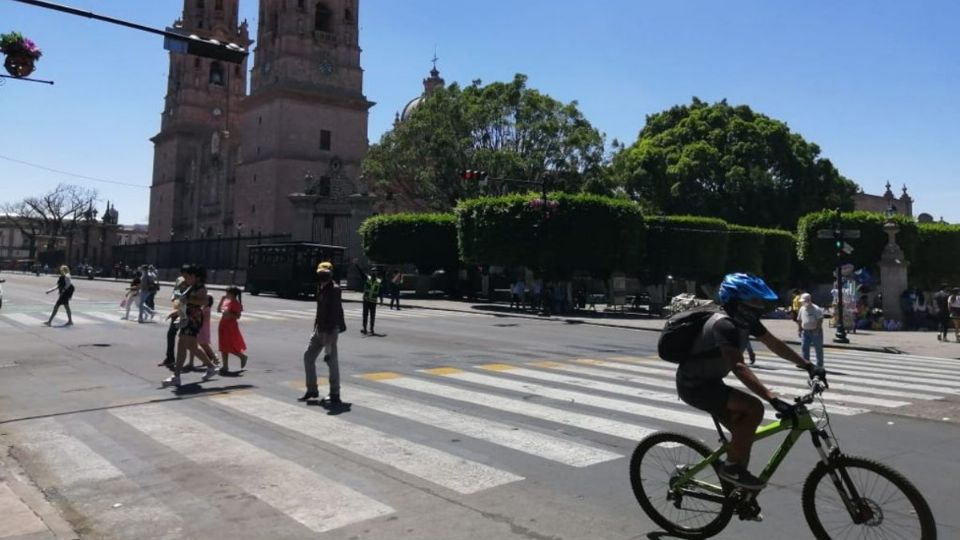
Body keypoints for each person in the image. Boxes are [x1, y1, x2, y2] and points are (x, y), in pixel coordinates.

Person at [675, 273, 825, 491]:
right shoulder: (723, 325)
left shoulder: (746, 322)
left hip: (711, 382)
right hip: (694, 386)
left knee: (743, 437)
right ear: (738, 302)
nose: (759, 306)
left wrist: (809, 366)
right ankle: (731, 470)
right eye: (754, 301)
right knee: (754, 408)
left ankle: (734, 490)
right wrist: (771, 398)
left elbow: (774, 344)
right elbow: (739, 367)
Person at [162, 265, 218, 387]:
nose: (185, 279)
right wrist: (176, 313)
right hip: (186, 317)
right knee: (192, 347)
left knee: (182, 344)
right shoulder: (190, 286)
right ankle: (211, 367)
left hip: (193, 319)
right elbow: (183, 302)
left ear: (195, 276)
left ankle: (176, 376)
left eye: (187, 276)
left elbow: (204, 302)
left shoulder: (201, 288)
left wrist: (189, 301)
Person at [299, 262, 346, 404]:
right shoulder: (321, 287)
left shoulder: (334, 289)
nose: (322, 276)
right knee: (308, 357)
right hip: (319, 329)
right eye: (320, 274)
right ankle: (312, 390)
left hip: (330, 330)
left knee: (331, 362)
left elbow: (336, 311)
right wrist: (316, 327)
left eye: (325, 274)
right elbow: (320, 310)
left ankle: (335, 393)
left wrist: (332, 332)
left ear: (331, 274)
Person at [159, 265, 190, 370]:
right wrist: (173, 298)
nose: (184, 276)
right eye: (183, 273)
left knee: (189, 338)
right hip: (177, 310)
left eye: (186, 274)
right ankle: (170, 358)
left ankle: (208, 358)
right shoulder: (179, 280)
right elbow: (175, 291)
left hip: (186, 312)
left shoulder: (191, 282)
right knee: (171, 334)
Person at [217, 286, 248, 374]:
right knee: (223, 346)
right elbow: (219, 310)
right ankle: (225, 366)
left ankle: (242, 356)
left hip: (230, 326)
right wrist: (221, 300)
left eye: (227, 293)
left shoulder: (236, 303)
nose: (226, 294)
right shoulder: (227, 302)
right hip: (223, 324)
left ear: (232, 294)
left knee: (229, 345)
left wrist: (229, 314)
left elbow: (238, 316)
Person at [187, 295, 218, 372]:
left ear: (209, 302)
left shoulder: (207, 309)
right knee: (193, 345)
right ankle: (191, 362)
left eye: (205, 299)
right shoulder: (203, 308)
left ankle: (215, 359)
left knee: (204, 345)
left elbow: (204, 320)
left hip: (202, 329)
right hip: (198, 328)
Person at [798, 293, 825, 368]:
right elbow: (799, 320)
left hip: (815, 331)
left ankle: (820, 365)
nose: (802, 302)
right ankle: (805, 363)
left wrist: (817, 329)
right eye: (802, 301)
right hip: (805, 331)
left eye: (804, 301)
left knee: (818, 348)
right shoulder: (802, 308)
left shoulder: (816, 309)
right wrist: (799, 330)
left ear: (809, 301)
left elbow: (820, 319)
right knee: (804, 347)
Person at [355, 261, 381, 335]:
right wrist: (357, 265)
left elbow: (380, 291)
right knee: (365, 315)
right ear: (371, 272)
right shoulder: (367, 278)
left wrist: (381, 300)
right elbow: (361, 273)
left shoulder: (378, 281)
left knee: (372, 316)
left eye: (375, 271)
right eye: (373, 271)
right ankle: (364, 328)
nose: (374, 273)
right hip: (366, 300)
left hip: (373, 301)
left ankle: (371, 329)